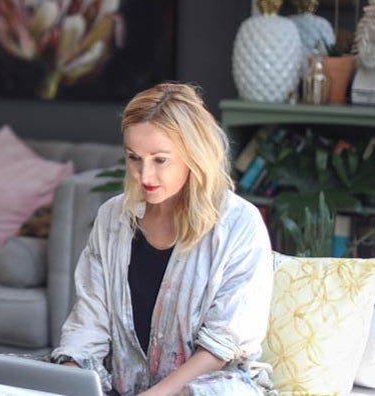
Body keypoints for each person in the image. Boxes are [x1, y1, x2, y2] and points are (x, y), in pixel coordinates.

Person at [49, 83, 275, 396]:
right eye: (134, 158)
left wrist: (156, 394)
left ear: (193, 154)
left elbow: (223, 344)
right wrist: (71, 378)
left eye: (160, 159)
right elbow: (88, 324)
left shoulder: (238, 224)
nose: (145, 176)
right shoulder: (112, 220)